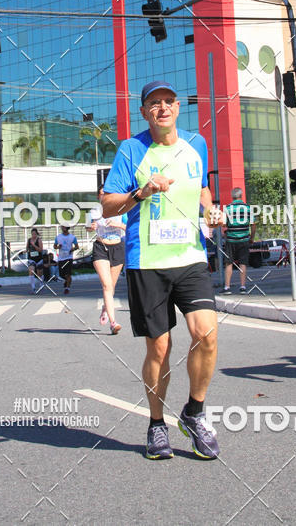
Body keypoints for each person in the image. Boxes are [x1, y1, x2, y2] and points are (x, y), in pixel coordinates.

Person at [102, 80, 221, 461]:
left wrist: (210, 209)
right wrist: (142, 193)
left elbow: (203, 188)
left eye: (169, 101)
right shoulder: (131, 149)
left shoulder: (196, 144)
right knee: (160, 347)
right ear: (144, 112)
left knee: (207, 335)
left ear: (177, 107)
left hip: (190, 257)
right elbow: (107, 205)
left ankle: (194, 413)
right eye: (155, 103)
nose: (163, 108)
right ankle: (156, 424)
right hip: (147, 261)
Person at [86, 190, 126, 335]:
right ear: (98, 196)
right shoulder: (94, 210)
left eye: (107, 193)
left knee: (111, 287)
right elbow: (87, 227)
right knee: (106, 286)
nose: (104, 195)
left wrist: (118, 225)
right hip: (100, 247)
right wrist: (91, 227)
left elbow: (131, 229)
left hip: (117, 247)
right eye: (102, 193)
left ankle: (105, 307)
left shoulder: (122, 208)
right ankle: (113, 322)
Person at [222, 187, 254, 294]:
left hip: (231, 240)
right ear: (241, 196)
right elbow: (253, 225)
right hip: (244, 239)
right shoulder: (248, 208)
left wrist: (226, 234)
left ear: (232, 196)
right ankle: (243, 287)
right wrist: (252, 238)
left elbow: (223, 224)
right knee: (243, 263)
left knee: (228, 263)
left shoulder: (227, 208)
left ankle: (227, 287)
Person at [54, 224, 79, 294]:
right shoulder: (58, 237)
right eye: (62, 227)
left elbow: (77, 246)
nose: (62, 228)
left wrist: (72, 249)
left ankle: (67, 288)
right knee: (62, 274)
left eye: (64, 226)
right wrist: (58, 247)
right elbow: (54, 246)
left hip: (69, 257)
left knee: (68, 274)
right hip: (61, 258)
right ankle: (67, 281)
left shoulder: (72, 237)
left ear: (67, 228)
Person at [26, 227, 44, 293]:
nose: (33, 235)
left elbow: (40, 250)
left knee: (39, 273)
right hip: (31, 259)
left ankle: (41, 283)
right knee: (31, 271)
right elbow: (27, 249)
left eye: (35, 234)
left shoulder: (39, 240)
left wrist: (34, 245)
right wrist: (26, 251)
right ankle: (33, 288)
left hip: (39, 259)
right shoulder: (29, 240)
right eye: (32, 234)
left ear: (37, 234)